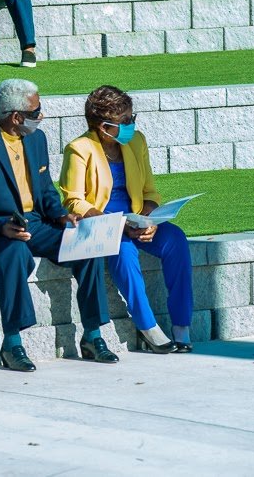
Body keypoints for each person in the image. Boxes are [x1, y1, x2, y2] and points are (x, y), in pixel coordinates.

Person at [0, 79, 117, 372]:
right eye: (37, 110)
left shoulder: (36, 139)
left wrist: (63, 215)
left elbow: (46, 189)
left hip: (38, 223)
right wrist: (1, 226)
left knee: (86, 247)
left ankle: (93, 335)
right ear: (16, 117)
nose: (42, 115)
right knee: (14, 253)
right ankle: (12, 343)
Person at [59, 85, 194, 353]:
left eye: (132, 118)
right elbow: (73, 199)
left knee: (176, 239)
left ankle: (182, 325)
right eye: (124, 122)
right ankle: (148, 327)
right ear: (102, 126)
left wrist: (149, 218)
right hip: (103, 224)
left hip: (137, 219)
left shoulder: (137, 141)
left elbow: (150, 191)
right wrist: (119, 224)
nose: (131, 125)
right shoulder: (78, 149)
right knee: (123, 251)